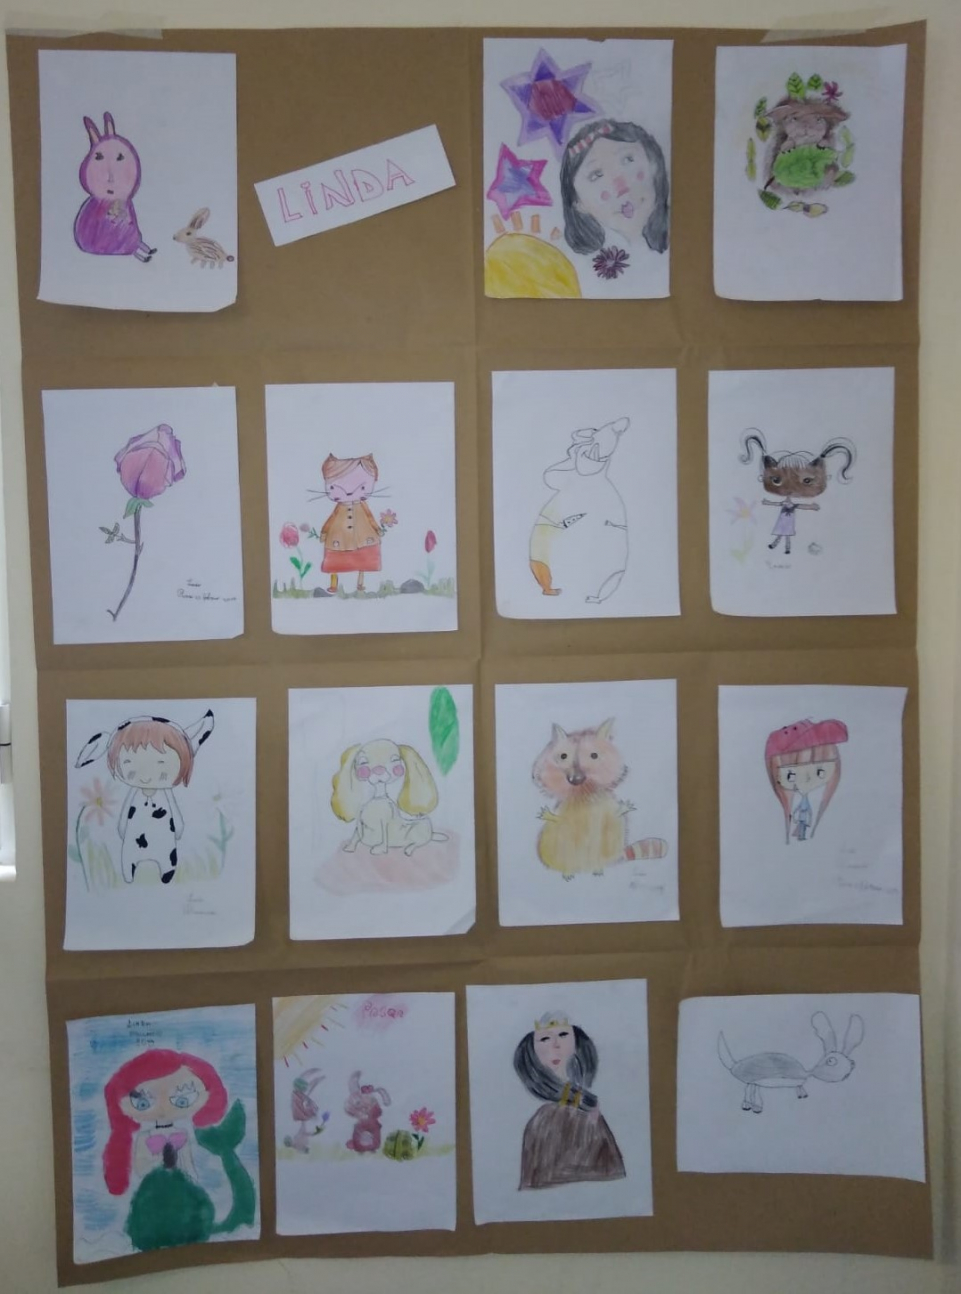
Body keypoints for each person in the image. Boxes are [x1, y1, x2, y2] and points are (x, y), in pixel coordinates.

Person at [512, 1012, 626, 1188]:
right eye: (544, 1039)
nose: (555, 1044)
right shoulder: (548, 1117)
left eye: (563, 1035)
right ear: (531, 1051)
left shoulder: (585, 1106)